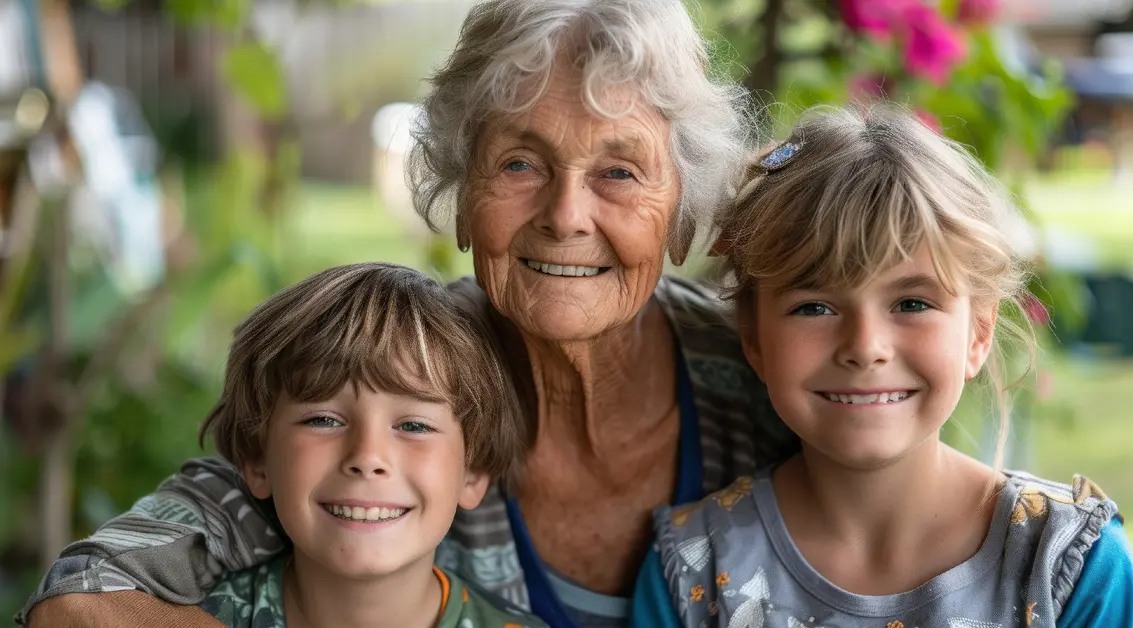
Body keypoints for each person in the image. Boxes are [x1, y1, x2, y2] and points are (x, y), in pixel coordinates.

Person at [19, 2, 796, 627]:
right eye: (520, 163)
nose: (566, 215)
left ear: (683, 217)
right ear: (461, 198)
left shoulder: (766, 378)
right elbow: (84, 598)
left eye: (620, 171)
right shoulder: (398, 370)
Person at [633, 105, 1133, 627]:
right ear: (754, 338)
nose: (866, 346)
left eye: (911, 303)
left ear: (979, 331)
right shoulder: (693, 574)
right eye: (814, 307)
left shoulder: (1070, 569)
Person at [201, 262, 545, 627]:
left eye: (414, 425)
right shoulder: (194, 619)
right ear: (257, 460)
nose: (367, 457)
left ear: (472, 474)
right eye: (323, 420)